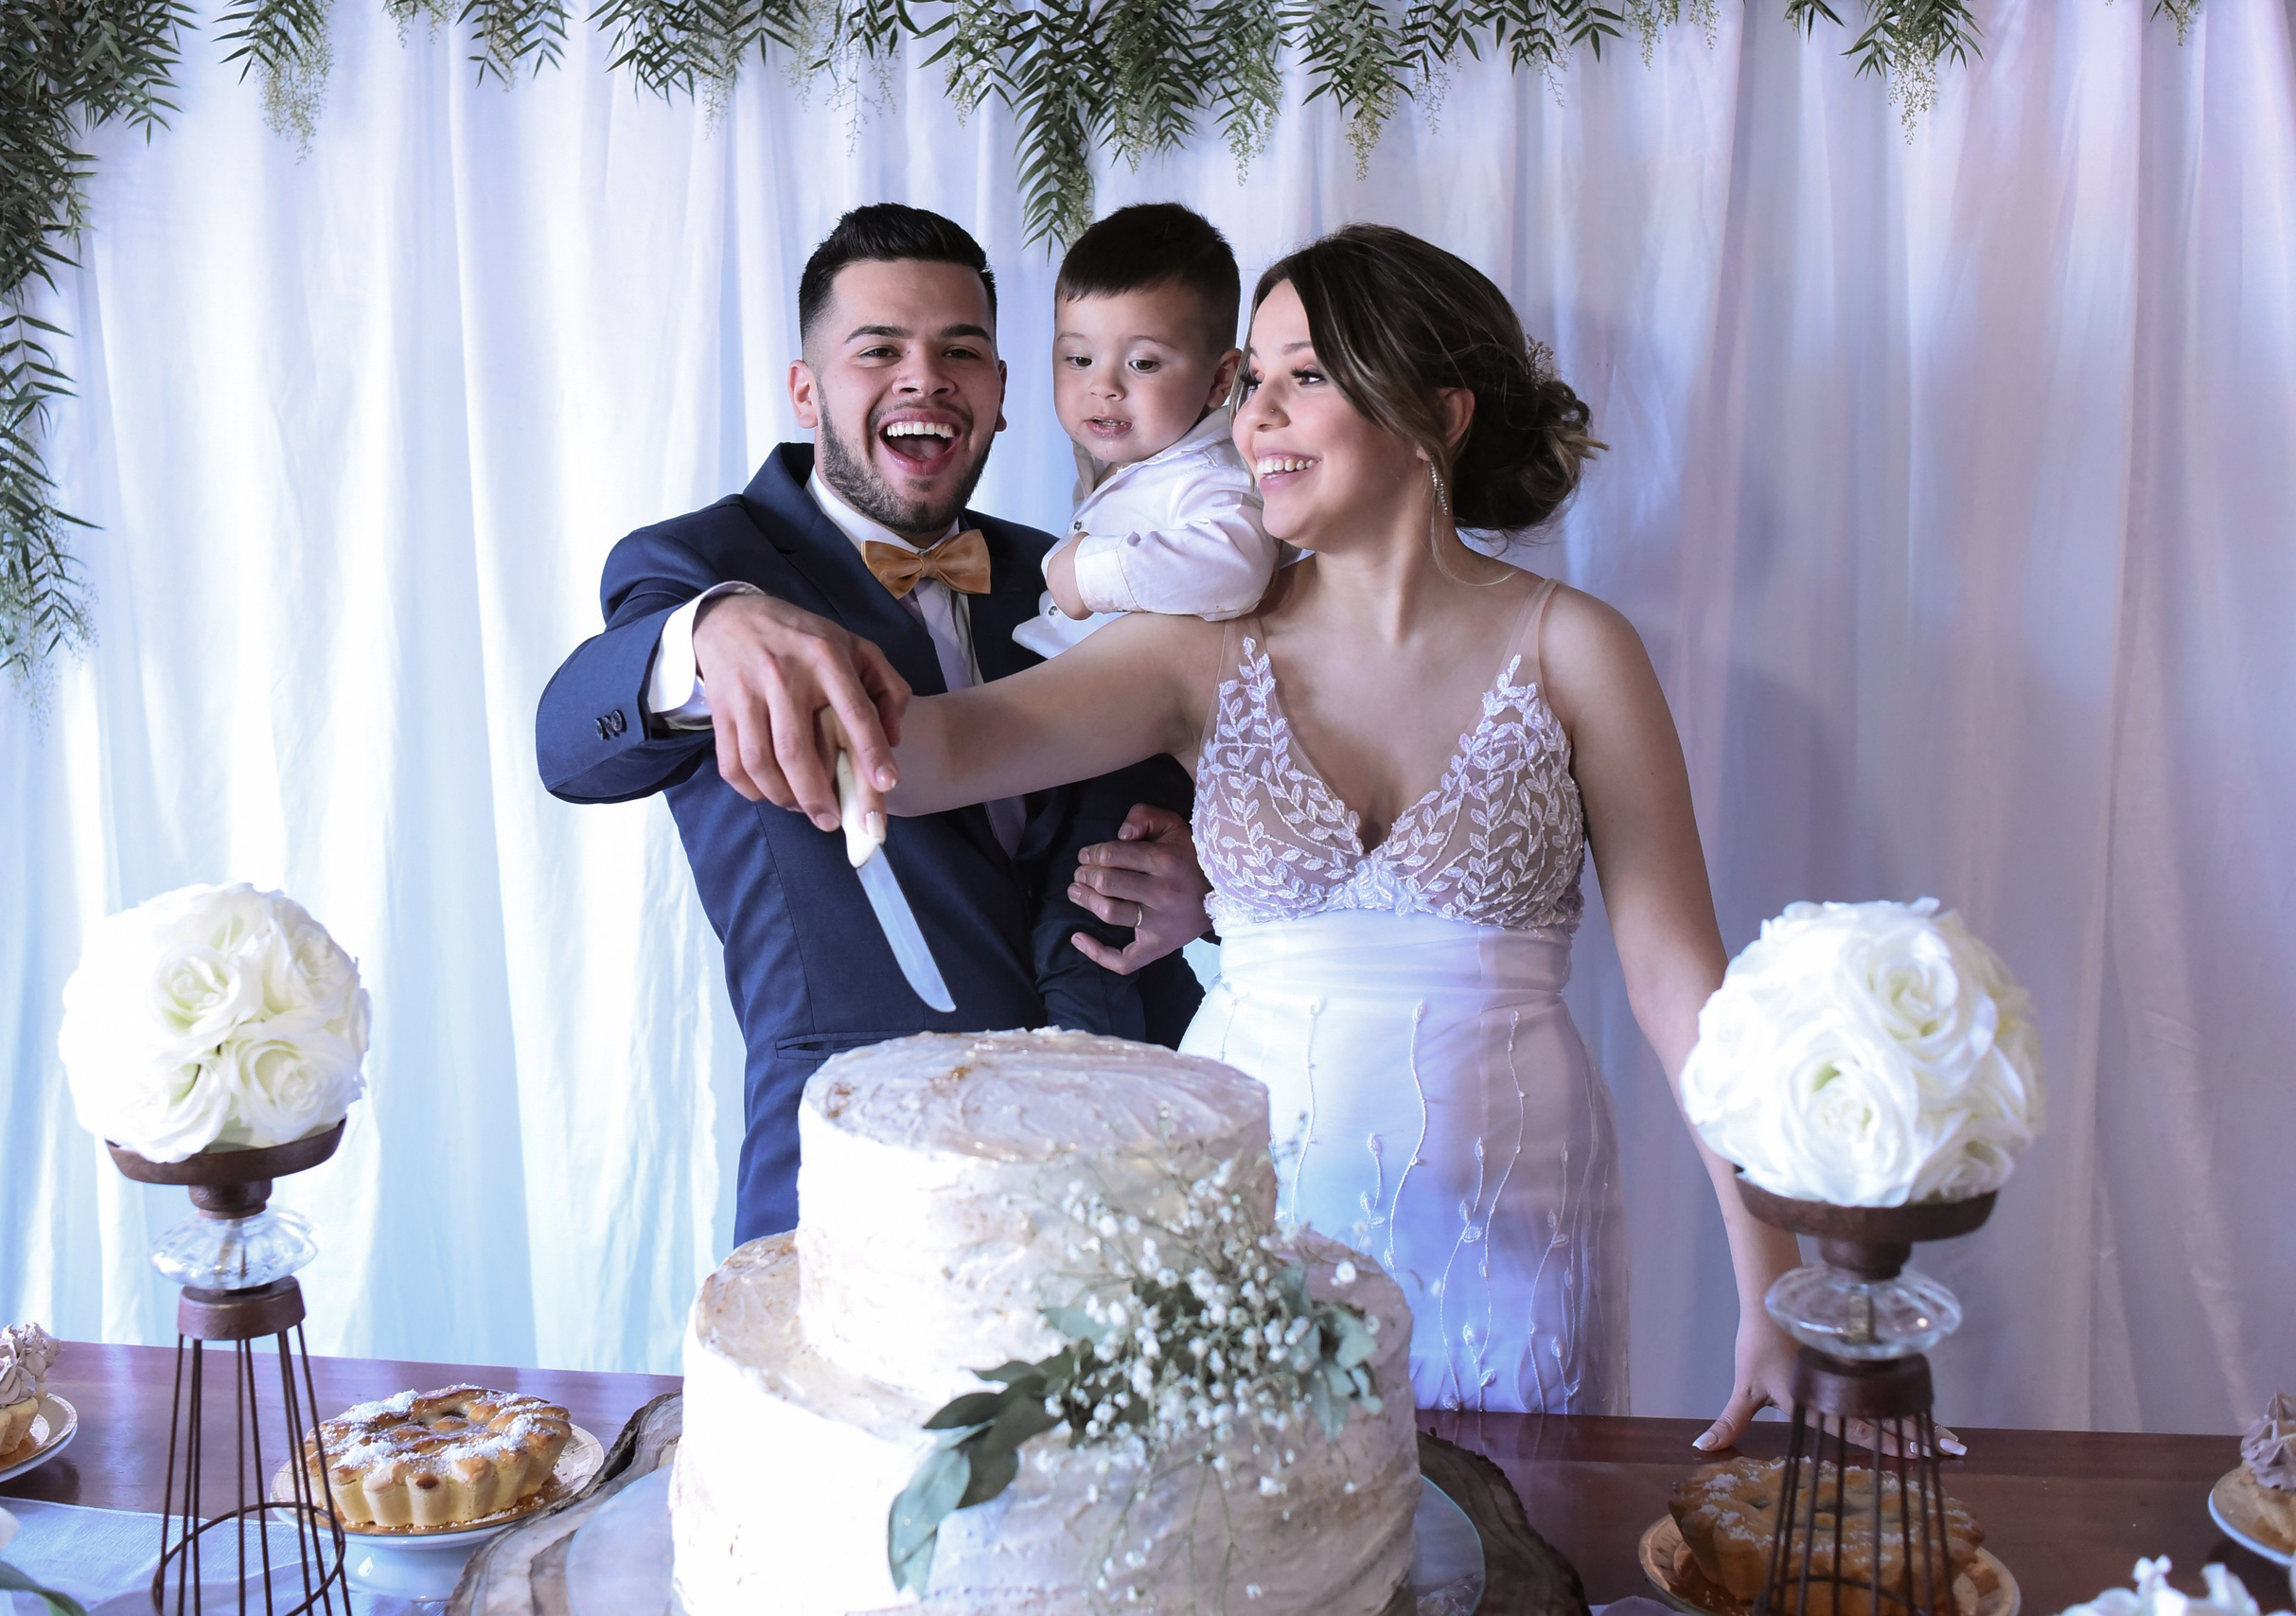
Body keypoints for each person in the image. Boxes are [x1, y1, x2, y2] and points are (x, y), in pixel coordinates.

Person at [769, 224, 1803, 1440]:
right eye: (1249, 378)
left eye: (1302, 376)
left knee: (1514, 1527)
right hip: (1255, 1219)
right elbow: (939, 754)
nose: (1253, 417)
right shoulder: (1195, 647)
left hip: (1518, 1226)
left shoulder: (1578, 649)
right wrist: (735, 636)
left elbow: (1682, 985)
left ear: (1436, 415)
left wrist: (1777, 1288)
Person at [533, 204, 1210, 1247]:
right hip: (857, 1172)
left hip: (1127, 1148)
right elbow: (568, 744)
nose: (924, 379)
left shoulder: (1084, 570)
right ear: (806, 390)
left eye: (960, 352)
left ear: (1001, 393)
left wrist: (1201, 889)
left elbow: (1204, 784)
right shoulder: (702, 565)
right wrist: (705, 632)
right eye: (878, 350)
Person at [1012, 203, 1276, 664]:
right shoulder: (1120, 458)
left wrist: (1091, 574)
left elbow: (1238, 565)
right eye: (1080, 359)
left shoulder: (1210, 474)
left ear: (1221, 379)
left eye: (1143, 363)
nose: (1104, 386)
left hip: (1114, 698)